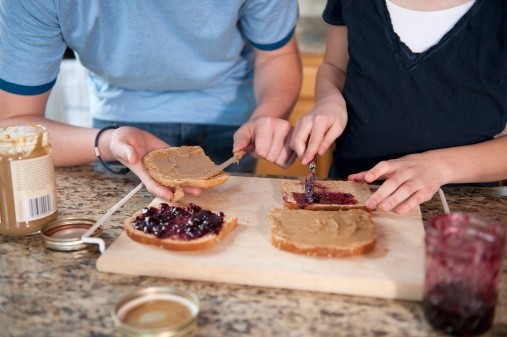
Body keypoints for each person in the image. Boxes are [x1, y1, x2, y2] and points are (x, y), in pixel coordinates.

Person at [0, 1, 301, 201]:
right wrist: (107, 143)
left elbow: (276, 55)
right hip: (120, 127)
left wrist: (267, 114)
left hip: (234, 123)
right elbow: (11, 125)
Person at [290, 0, 507, 214]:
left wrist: (441, 166)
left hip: (460, 210)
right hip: (352, 192)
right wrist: (329, 99)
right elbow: (334, 67)